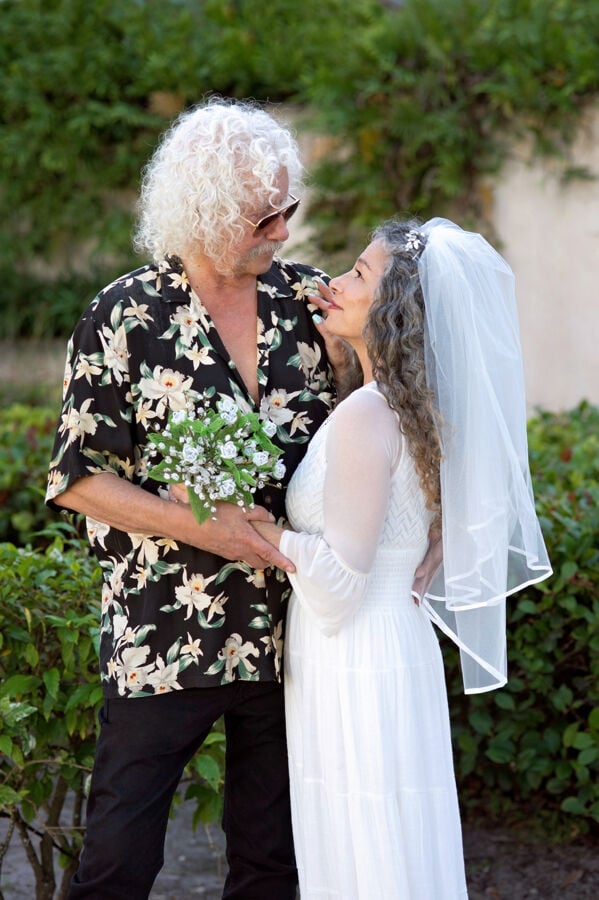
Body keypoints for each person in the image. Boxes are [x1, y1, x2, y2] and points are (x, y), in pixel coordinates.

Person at [45, 97, 344, 899]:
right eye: (261, 217)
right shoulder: (123, 315)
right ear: (204, 212)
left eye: (288, 210)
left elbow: (383, 417)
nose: (281, 232)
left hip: (296, 632)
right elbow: (78, 478)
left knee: (274, 864)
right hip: (163, 632)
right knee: (118, 860)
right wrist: (208, 530)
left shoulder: (311, 303)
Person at [250, 218, 553, 898]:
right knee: (388, 835)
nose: (334, 283)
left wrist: (258, 532)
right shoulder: (408, 410)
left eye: (358, 274)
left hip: (356, 653)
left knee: (367, 841)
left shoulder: (366, 415)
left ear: (393, 309)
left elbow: (339, 581)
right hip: (388, 645)